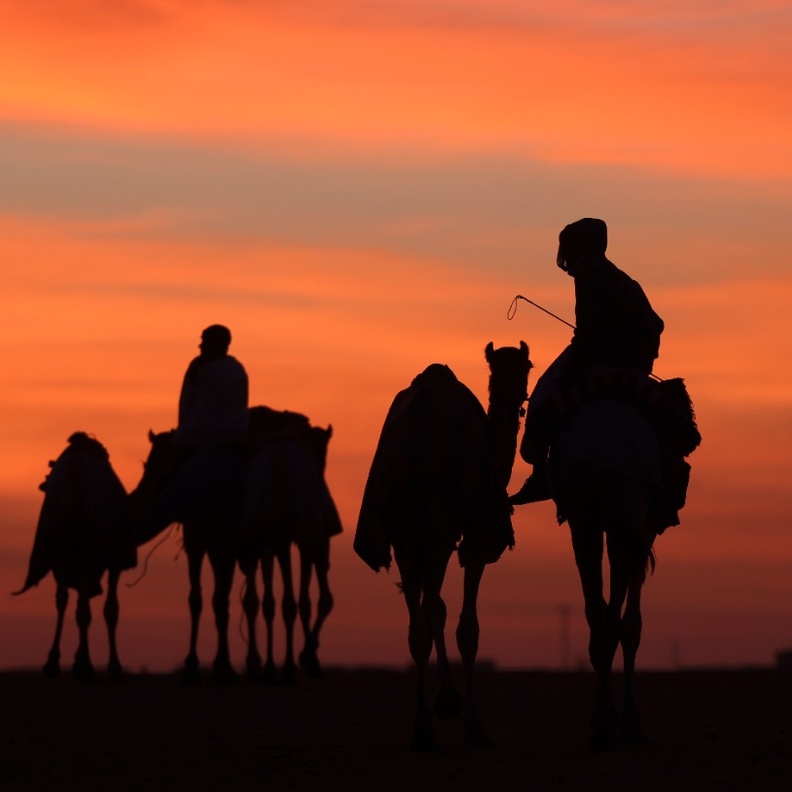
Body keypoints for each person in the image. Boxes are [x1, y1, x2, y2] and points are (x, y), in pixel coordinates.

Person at [512, 218, 664, 504]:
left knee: (545, 391)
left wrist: (577, 362)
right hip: (634, 366)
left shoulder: (590, 275)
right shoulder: (619, 278)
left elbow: (587, 333)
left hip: (600, 355)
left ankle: (539, 474)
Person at [175, 324, 249, 450]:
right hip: (237, 434)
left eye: (205, 341)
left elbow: (188, 402)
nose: (201, 345)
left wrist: (182, 433)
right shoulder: (237, 368)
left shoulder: (200, 366)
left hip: (200, 436)